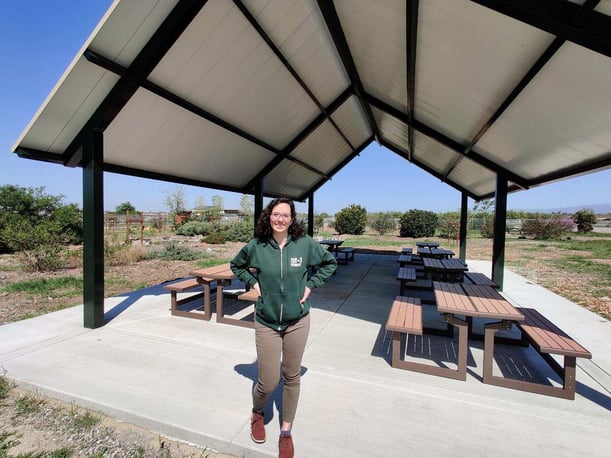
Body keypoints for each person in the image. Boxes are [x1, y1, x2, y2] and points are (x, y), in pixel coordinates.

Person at [230, 197, 337, 458]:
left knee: (292, 377)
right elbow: (237, 265)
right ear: (269, 217)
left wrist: (311, 285)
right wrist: (252, 283)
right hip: (266, 320)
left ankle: (286, 432)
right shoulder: (257, 246)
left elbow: (329, 263)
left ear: (292, 219)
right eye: (276, 215)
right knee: (268, 381)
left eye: (285, 215)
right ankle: (257, 412)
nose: (280, 219)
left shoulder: (304, 244)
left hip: (297, 320)